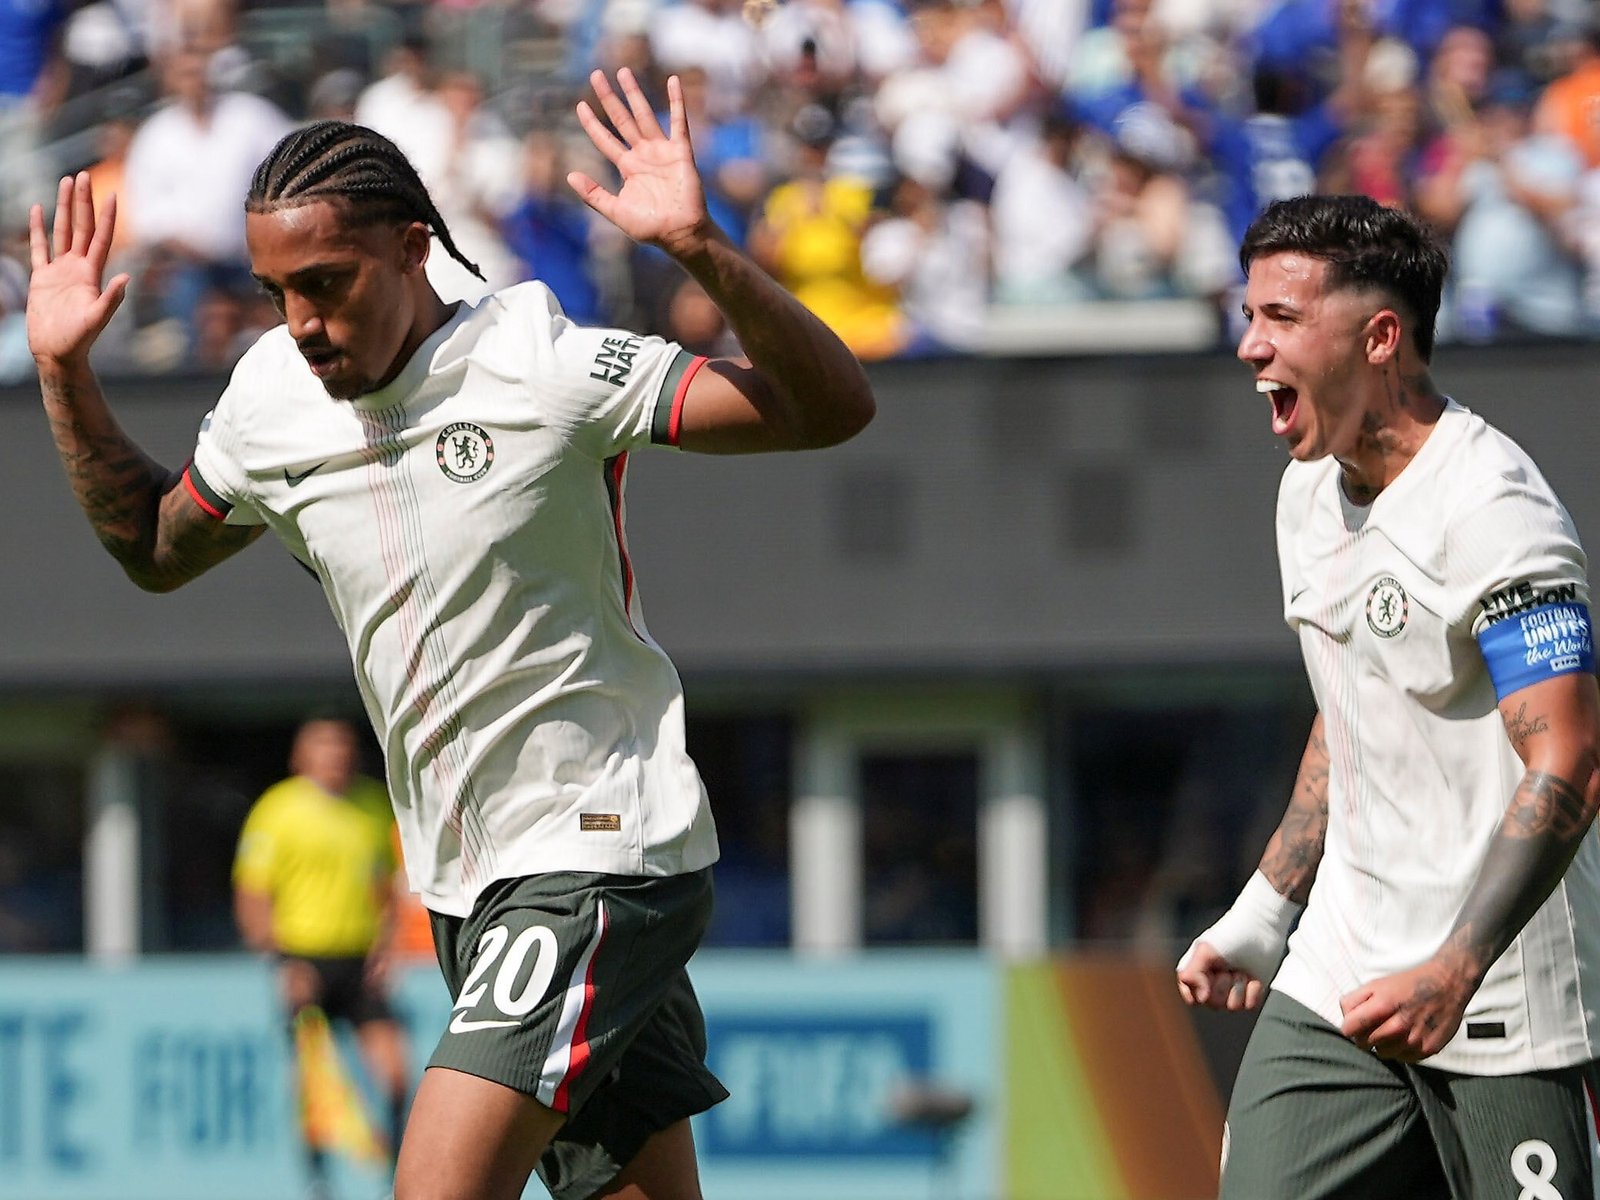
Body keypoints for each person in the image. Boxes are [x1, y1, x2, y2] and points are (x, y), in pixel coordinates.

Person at [26, 65, 875, 1200]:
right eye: (278, 292)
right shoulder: (271, 397)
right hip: (467, 884)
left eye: (327, 284)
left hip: (594, 853)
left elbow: (830, 409)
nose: (304, 324)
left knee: (435, 1187)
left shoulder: (542, 363)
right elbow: (152, 550)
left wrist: (702, 251)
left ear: (414, 249)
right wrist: (62, 369)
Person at [1177, 193, 1600, 1198]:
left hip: (1497, 991)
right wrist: (1264, 909)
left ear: (1379, 338)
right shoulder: (1307, 490)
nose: (1248, 346)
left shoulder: (1493, 510)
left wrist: (1455, 967)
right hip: (1340, 969)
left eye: (1280, 318)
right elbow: (1353, 698)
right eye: (1249, 316)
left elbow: (1569, 759)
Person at [233, 715, 411, 1198]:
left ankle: (394, 1178)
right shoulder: (277, 811)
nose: (335, 756)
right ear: (301, 757)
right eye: (323, 747)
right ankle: (318, 1182)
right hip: (305, 962)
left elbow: (390, 889)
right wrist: (282, 961)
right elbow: (253, 896)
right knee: (316, 1086)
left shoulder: (374, 805)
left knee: (395, 1071)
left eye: (341, 747)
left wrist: (386, 947)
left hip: (360, 964)